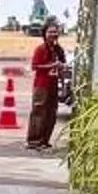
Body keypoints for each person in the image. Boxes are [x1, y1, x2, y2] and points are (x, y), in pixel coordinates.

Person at [26, 19, 70, 150]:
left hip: (54, 85)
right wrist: (51, 65)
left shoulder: (59, 50)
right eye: (50, 32)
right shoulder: (41, 49)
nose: (53, 34)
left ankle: (45, 140)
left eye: (55, 31)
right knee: (39, 111)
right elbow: (35, 66)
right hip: (42, 85)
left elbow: (63, 66)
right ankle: (34, 141)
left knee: (51, 113)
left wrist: (62, 70)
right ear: (44, 33)